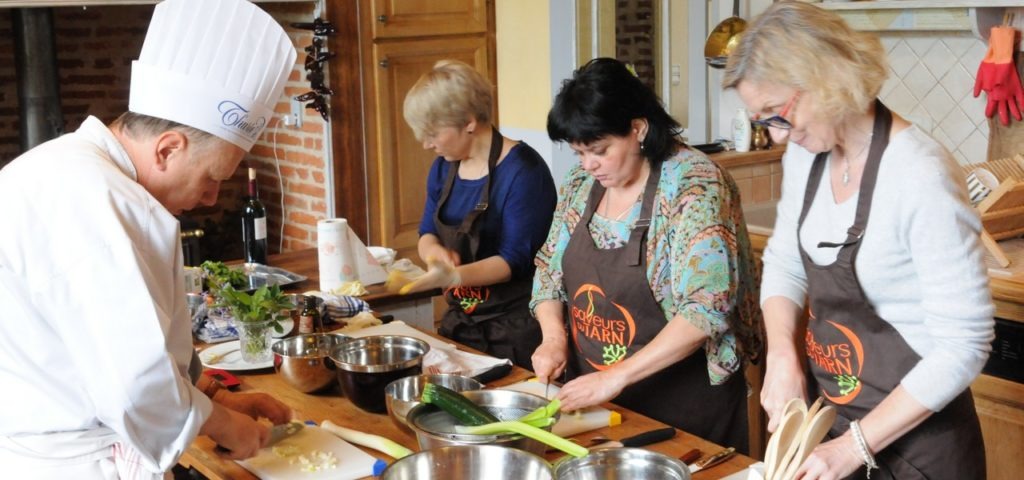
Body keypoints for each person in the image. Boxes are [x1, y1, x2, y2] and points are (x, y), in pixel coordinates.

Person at [0, 0, 297, 477]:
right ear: (168, 149)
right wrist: (224, 425)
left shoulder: (72, 171)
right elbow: (137, 386)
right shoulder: (96, 199)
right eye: (211, 177)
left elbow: (136, 345)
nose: (208, 197)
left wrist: (216, 397)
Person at [722, 3, 994, 479]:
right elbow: (785, 262)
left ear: (827, 79)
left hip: (919, 449)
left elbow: (964, 346)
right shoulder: (808, 155)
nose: (779, 135)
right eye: (765, 121)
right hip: (836, 423)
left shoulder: (919, 176)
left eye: (778, 115)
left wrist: (853, 448)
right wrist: (783, 354)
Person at [530, 57, 764, 452]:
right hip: (596, 401)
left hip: (684, 406)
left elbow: (706, 309)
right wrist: (553, 338)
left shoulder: (694, 185)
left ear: (638, 128)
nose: (589, 165)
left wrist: (616, 376)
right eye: (579, 153)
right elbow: (549, 270)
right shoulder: (581, 184)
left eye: (599, 150)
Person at [398, 60, 557, 371]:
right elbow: (427, 231)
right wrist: (435, 256)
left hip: (514, 327)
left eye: (432, 133)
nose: (425, 143)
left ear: (469, 122)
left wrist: (455, 277)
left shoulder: (524, 171)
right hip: (460, 321)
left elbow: (515, 259)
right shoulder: (445, 165)